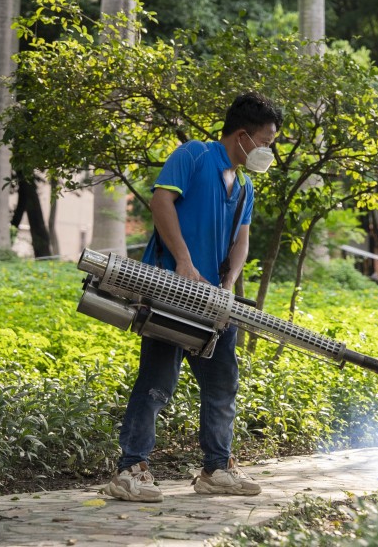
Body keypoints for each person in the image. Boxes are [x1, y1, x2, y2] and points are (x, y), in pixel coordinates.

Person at [103, 92, 282, 503]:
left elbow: (241, 242)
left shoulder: (244, 186)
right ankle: (130, 469)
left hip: (214, 303)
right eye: (267, 142)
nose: (268, 150)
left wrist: (228, 284)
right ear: (243, 135)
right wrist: (184, 262)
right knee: (157, 381)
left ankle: (216, 468)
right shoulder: (194, 156)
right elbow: (161, 202)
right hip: (170, 290)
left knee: (223, 382)